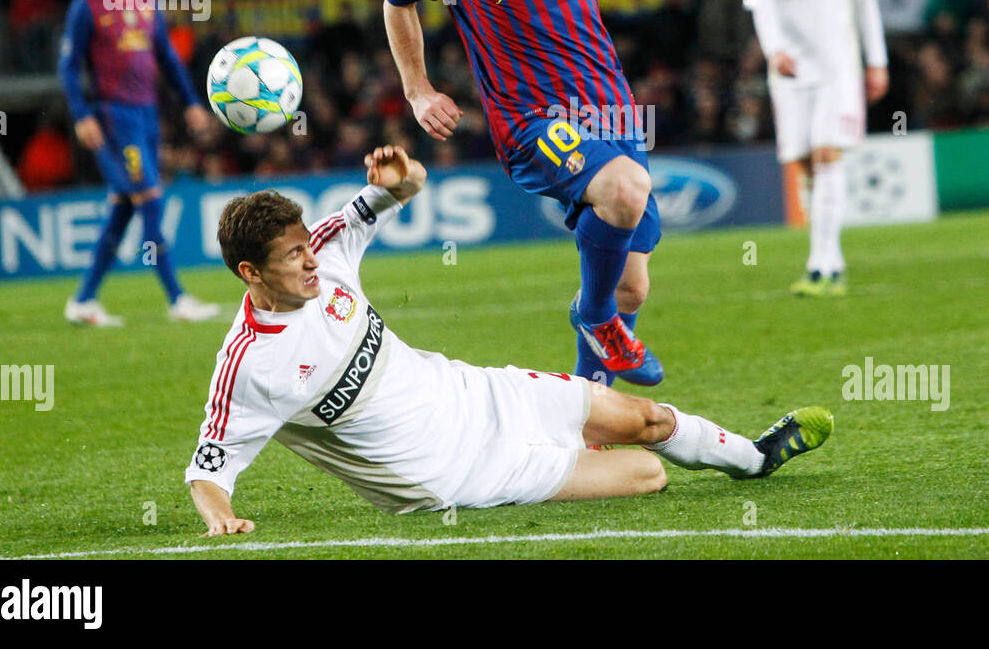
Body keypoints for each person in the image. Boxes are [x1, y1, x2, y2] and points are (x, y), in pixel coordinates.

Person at [184, 144, 833, 533]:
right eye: (293, 256)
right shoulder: (250, 365)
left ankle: (757, 456)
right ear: (250, 272)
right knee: (646, 474)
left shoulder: (326, 250)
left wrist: (401, 175)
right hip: (459, 474)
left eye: (306, 246)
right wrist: (221, 515)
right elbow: (209, 470)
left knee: (648, 419)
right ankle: (572, 454)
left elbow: (404, 189)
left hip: (475, 392)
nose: (311, 262)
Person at [382, 0, 707, 386]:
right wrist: (417, 89)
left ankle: (591, 412)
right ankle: (592, 317)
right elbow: (396, 3)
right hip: (528, 117)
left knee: (633, 287)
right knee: (622, 194)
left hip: (608, 107)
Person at [57, 0, 221, 326]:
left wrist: (190, 104)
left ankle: (83, 301)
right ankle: (177, 298)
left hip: (148, 116)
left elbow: (166, 59)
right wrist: (81, 115)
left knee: (123, 207)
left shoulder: (148, 4)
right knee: (150, 197)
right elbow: (68, 65)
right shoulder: (87, 5)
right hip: (114, 117)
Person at [744, 0, 889, 296]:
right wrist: (775, 50)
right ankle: (826, 256)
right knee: (805, 163)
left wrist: (877, 60)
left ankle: (824, 264)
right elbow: (760, 0)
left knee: (828, 154)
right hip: (789, 70)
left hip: (838, 67)